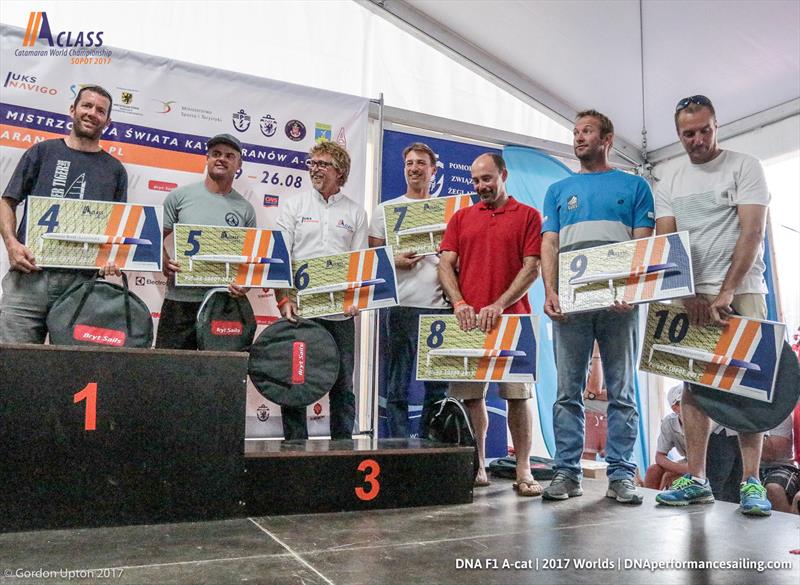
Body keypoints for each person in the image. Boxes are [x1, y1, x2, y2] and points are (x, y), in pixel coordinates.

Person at [654, 95, 773, 516]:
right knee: (692, 383)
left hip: (742, 289)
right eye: (690, 133)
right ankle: (698, 479)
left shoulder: (744, 165)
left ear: (716, 125)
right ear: (678, 135)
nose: (699, 139)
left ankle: (752, 481)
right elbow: (667, 239)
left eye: (706, 130)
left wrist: (725, 291)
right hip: (690, 292)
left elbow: (752, 231)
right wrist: (686, 293)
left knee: (747, 384)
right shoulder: (668, 178)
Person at [541, 109, 654, 505]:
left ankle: (621, 475)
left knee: (621, 391)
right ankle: (566, 472)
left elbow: (643, 245)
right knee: (566, 391)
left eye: (586, 131)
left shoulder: (635, 186)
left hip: (619, 303)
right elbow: (550, 244)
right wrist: (550, 291)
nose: (578, 137)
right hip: (570, 302)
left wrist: (635, 292)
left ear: (607, 138)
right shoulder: (558, 190)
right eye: (575, 132)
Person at [438, 153, 542, 496]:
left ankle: (524, 469)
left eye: (487, 179)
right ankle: (478, 464)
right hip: (468, 322)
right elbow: (445, 265)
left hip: (514, 320)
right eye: (476, 180)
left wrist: (499, 305)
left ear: (503, 175)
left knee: (518, 396)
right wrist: (460, 303)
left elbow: (531, 268)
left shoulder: (529, 216)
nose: (481, 186)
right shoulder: (461, 217)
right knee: (470, 398)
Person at [0, 85, 127, 343]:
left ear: (108, 121)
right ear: (73, 110)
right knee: (13, 365)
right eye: (87, 106)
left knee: (71, 371)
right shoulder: (41, 152)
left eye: (100, 110)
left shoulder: (116, 170)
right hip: (30, 276)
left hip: (83, 284)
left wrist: (112, 258)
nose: (93, 113)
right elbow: (6, 201)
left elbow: (117, 230)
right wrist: (12, 244)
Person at [275, 141, 368, 440]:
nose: (314, 169)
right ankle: (295, 449)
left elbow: (360, 264)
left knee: (343, 386)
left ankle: (342, 450)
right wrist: (283, 297)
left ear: (340, 172)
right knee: (296, 381)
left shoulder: (356, 212)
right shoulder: (293, 206)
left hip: (340, 316)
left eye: (322, 164)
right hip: (301, 312)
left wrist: (357, 301)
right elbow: (281, 256)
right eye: (311, 163)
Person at [368, 143, 449, 438]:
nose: (414, 168)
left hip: (440, 306)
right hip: (401, 306)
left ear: (432, 170)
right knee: (397, 383)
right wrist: (394, 260)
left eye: (420, 163)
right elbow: (373, 260)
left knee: (437, 386)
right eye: (409, 163)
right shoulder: (385, 210)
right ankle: (399, 445)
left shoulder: (448, 212)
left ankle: (431, 444)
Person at [157, 133, 256, 349]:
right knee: (169, 373)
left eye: (230, 156)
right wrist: (162, 258)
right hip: (180, 301)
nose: (222, 159)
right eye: (216, 154)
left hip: (222, 304)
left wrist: (246, 284)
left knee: (215, 375)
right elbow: (155, 237)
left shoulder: (245, 209)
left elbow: (250, 258)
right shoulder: (180, 196)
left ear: (239, 164)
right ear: (207, 158)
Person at [644, 385, 688, 490]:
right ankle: (650, 502)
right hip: (688, 462)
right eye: (685, 403)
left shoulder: (703, 420)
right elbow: (659, 456)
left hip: (709, 463)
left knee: (674, 479)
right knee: (653, 471)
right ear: (675, 408)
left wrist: (675, 472)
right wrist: (679, 469)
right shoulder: (670, 422)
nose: (691, 406)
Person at [759, 415, 798, 514]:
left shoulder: (780, 409)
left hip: (776, 465)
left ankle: (785, 527)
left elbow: (771, 454)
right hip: (736, 462)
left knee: (774, 488)